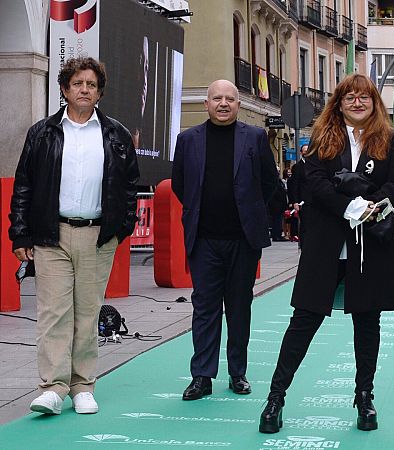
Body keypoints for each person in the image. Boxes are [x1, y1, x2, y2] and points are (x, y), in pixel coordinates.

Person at [259, 74, 394, 433]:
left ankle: (365, 397)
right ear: (338, 104)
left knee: (368, 323)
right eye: (349, 97)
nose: (357, 103)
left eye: (364, 98)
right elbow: (317, 186)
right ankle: (275, 398)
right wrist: (350, 207)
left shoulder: (389, 139)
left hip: (371, 244)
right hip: (326, 244)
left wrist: (368, 206)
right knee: (304, 321)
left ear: (374, 103)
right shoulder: (322, 139)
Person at [9, 57, 140, 415]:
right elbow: (24, 185)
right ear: (65, 89)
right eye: (78, 83)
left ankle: (82, 385)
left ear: (99, 92)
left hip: (97, 236)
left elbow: (131, 186)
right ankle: (52, 386)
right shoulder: (42, 133)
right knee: (53, 313)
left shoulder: (115, 134)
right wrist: (20, 235)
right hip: (51, 235)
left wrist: (120, 229)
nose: (85, 89)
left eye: (91, 85)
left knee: (87, 312)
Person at [172, 79, 280, 401]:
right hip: (203, 240)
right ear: (206, 104)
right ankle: (201, 376)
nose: (223, 104)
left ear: (239, 105)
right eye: (216, 98)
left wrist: (249, 212)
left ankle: (238, 373)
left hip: (242, 241)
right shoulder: (188, 140)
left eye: (230, 99)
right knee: (204, 308)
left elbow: (269, 183)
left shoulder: (256, 138)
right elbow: (180, 184)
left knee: (238, 308)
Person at [286, 145, 309, 242]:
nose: (306, 153)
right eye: (304, 151)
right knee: (304, 224)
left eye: (308, 151)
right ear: (301, 153)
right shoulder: (297, 167)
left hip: (313, 199)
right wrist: (295, 201)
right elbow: (294, 185)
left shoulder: (313, 165)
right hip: (302, 200)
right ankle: (304, 244)